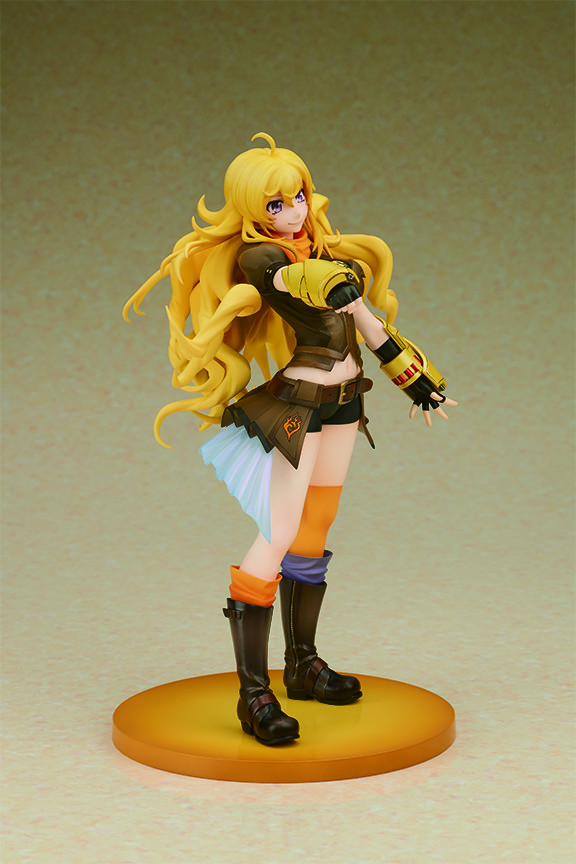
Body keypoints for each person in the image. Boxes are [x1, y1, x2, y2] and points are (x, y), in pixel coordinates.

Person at [123, 133, 457, 746]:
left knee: (316, 525)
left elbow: (369, 326)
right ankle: (254, 695)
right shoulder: (261, 259)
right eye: (275, 204)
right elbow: (299, 281)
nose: (293, 210)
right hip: (299, 406)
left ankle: (302, 664)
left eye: (298, 195)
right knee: (278, 531)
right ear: (253, 210)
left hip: (346, 402)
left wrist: (418, 383)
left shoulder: (330, 259)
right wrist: (337, 283)